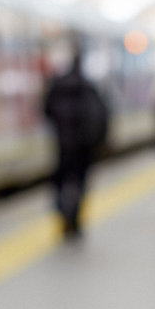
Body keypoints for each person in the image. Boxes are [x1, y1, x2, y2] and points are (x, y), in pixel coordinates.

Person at [43, 51, 109, 242]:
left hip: (62, 146)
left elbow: (47, 111)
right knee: (80, 183)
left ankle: (63, 211)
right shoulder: (89, 87)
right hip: (83, 147)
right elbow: (101, 116)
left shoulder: (57, 86)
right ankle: (75, 219)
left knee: (59, 182)